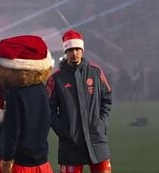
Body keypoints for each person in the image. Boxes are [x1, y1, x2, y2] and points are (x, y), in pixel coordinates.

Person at [47, 30, 112, 173]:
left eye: (77, 49)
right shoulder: (56, 78)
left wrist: (102, 124)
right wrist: (63, 131)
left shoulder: (95, 72)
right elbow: (49, 109)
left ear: (82, 50)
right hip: (70, 143)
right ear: (65, 52)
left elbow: (107, 98)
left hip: (97, 140)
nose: (74, 53)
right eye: (70, 50)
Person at [0, 35, 54, 173]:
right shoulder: (42, 89)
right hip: (42, 161)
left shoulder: (15, 94)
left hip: (22, 164)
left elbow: (13, 131)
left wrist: (7, 159)